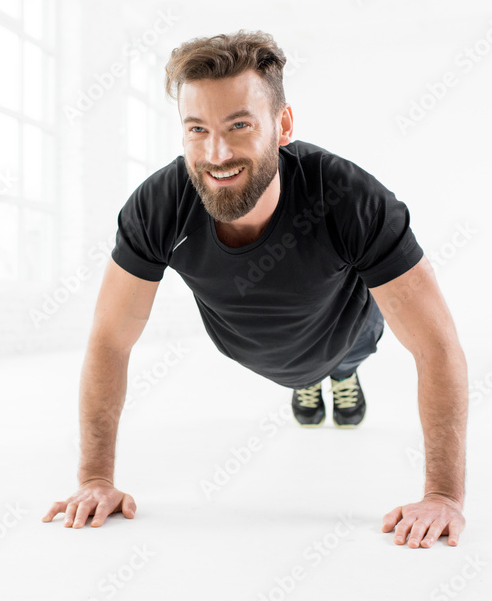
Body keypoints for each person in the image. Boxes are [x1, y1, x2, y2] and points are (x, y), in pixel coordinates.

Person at [42, 30, 468, 548]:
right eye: (197, 129)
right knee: (300, 378)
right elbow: (110, 340)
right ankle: (306, 384)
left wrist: (443, 495)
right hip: (248, 344)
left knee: (346, 359)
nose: (216, 153)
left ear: (283, 125)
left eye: (239, 124)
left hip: (345, 330)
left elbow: (436, 344)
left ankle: (342, 377)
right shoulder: (158, 206)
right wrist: (94, 479)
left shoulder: (351, 198)